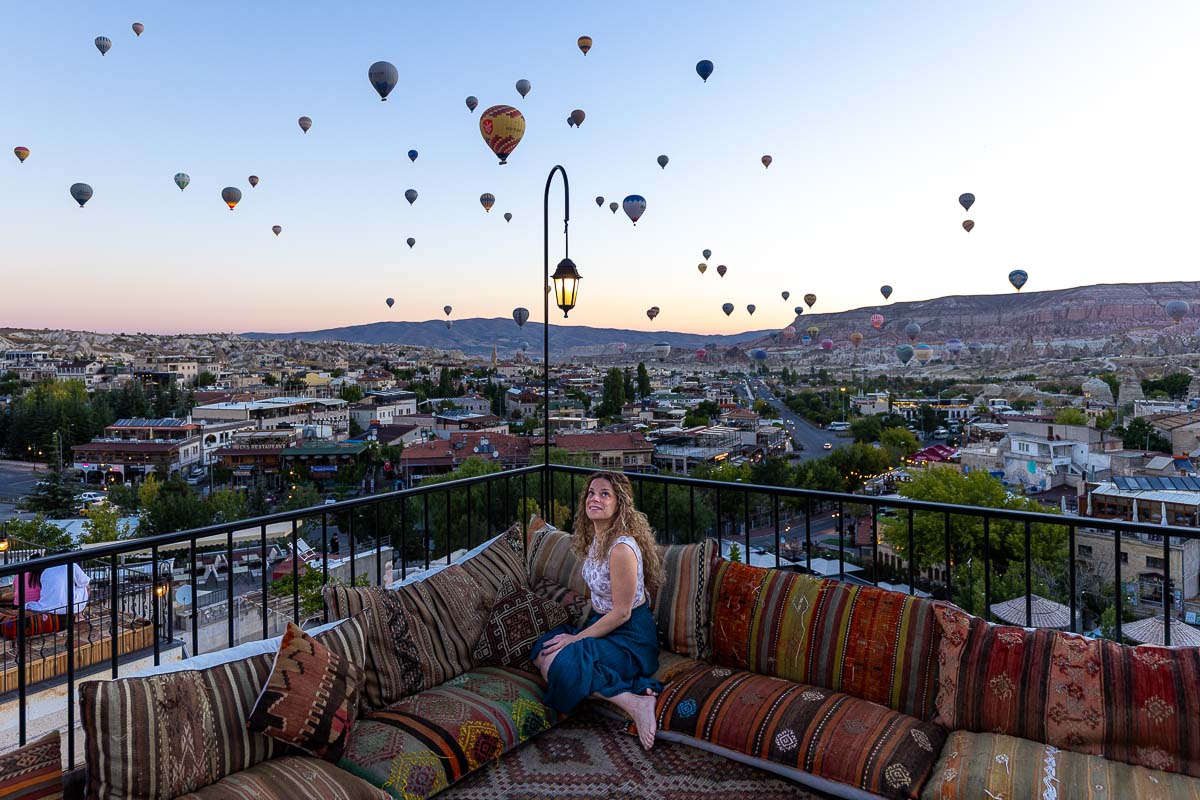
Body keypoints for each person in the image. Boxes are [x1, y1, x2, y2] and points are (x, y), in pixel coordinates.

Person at [531, 471, 665, 750]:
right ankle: (628, 692)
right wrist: (580, 636)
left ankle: (637, 704)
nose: (595, 498)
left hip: (631, 638)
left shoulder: (621, 549)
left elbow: (622, 613)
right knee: (543, 651)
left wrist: (577, 640)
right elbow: (599, 600)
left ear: (620, 504)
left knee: (561, 664)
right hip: (604, 627)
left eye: (605, 494)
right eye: (591, 493)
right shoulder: (597, 538)